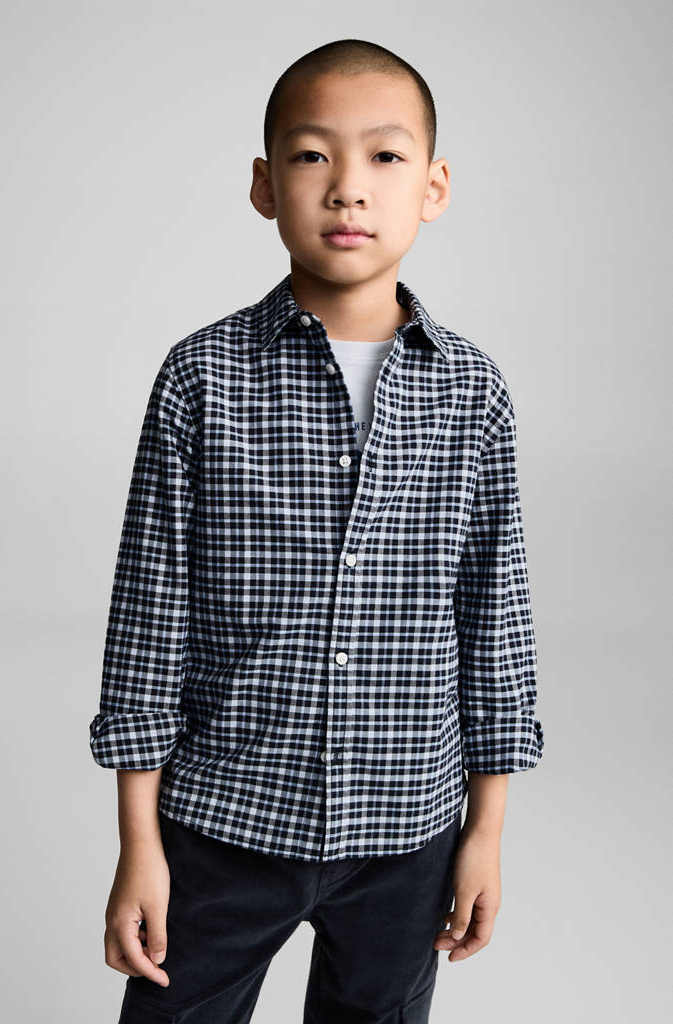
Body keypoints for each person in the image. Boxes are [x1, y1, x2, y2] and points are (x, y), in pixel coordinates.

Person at [89, 37, 545, 1024]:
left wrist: (485, 830)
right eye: (310, 155)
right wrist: (138, 844)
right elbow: (148, 618)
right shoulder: (201, 378)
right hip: (222, 820)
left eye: (383, 156)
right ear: (264, 185)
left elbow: (494, 618)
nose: (348, 187)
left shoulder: (471, 392)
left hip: (407, 832)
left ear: (432, 186)